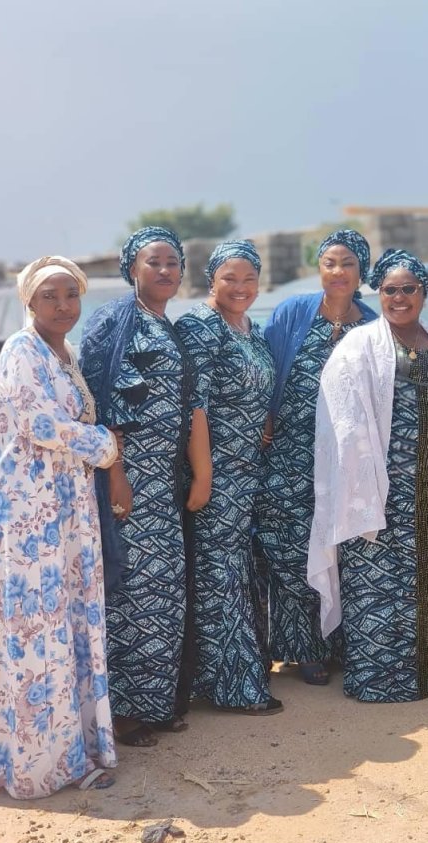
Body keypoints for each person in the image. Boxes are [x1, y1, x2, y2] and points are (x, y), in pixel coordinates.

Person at [0, 256, 120, 799]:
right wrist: (108, 448)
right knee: (31, 632)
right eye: (50, 296)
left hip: (58, 509)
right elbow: (40, 424)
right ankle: (33, 764)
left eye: (71, 295)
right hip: (22, 514)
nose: (63, 305)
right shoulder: (22, 350)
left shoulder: (63, 354)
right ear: (29, 301)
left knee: (57, 625)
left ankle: (67, 751)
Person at [308, 250, 428, 701]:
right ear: (378, 294)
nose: (399, 298)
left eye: (408, 289)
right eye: (390, 290)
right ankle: (379, 679)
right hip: (377, 488)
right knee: (379, 582)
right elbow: (342, 418)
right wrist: (367, 478)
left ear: (424, 293)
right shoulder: (358, 347)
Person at [80, 227, 211, 747]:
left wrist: (200, 473)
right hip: (128, 481)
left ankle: (156, 705)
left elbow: (189, 407)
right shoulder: (115, 320)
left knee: (163, 595)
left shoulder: (169, 327)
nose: (164, 271)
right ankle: (123, 714)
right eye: (153, 262)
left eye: (173, 263)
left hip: (165, 483)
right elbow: (98, 400)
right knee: (131, 592)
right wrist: (115, 473)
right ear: (131, 269)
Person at [257, 229, 378, 685]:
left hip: (343, 459)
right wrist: (266, 416)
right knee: (287, 543)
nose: (338, 271)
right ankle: (301, 648)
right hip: (288, 450)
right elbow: (269, 365)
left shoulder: (371, 324)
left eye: (347, 263)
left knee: (339, 543)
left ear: (361, 270)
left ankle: (337, 643)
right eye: (329, 262)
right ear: (319, 269)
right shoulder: (294, 312)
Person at [174, 240, 281, 715]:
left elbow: (254, 393)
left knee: (239, 571)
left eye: (249, 279)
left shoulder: (250, 330)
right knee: (220, 574)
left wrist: (262, 423)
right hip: (217, 474)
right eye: (229, 279)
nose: (240, 288)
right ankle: (232, 686)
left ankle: (236, 670)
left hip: (249, 471)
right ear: (210, 280)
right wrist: (203, 475)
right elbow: (195, 405)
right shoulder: (202, 327)